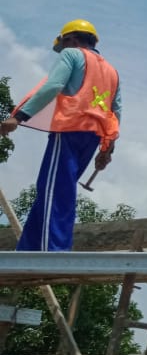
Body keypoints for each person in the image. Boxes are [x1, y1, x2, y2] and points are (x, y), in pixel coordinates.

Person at [0, 19, 122, 251]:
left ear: (71, 39)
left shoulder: (72, 55)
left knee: (55, 190)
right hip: (93, 136)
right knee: (52, 187)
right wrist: (107, 148)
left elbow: (53, 85)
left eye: (65, 44)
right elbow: (116, 111)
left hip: (69, 129)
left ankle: (52, 250)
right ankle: (28, 249)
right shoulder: (111, 71)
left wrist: (19, 117)